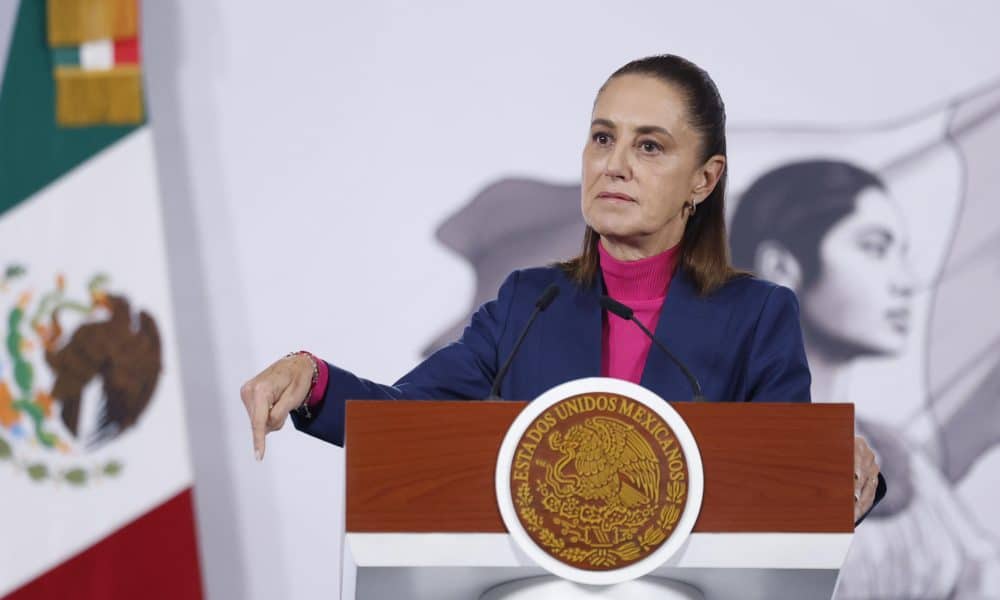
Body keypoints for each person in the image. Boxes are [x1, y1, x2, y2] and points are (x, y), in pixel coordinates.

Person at [240, 54, 883, 523]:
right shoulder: (530, 303)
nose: (614, 165)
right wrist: (312, 378)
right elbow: (404, 422)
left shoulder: (757, 315)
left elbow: (789, 485)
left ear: (704, 179)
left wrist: (840, 469)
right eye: (603, 138)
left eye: (649, 147)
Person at [729, 160, 1000, 598]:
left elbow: (979, 572)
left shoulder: (901, 456)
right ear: (782, 267)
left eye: (902, 254)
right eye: (874, 248)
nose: (906, 282)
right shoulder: (712, 448)